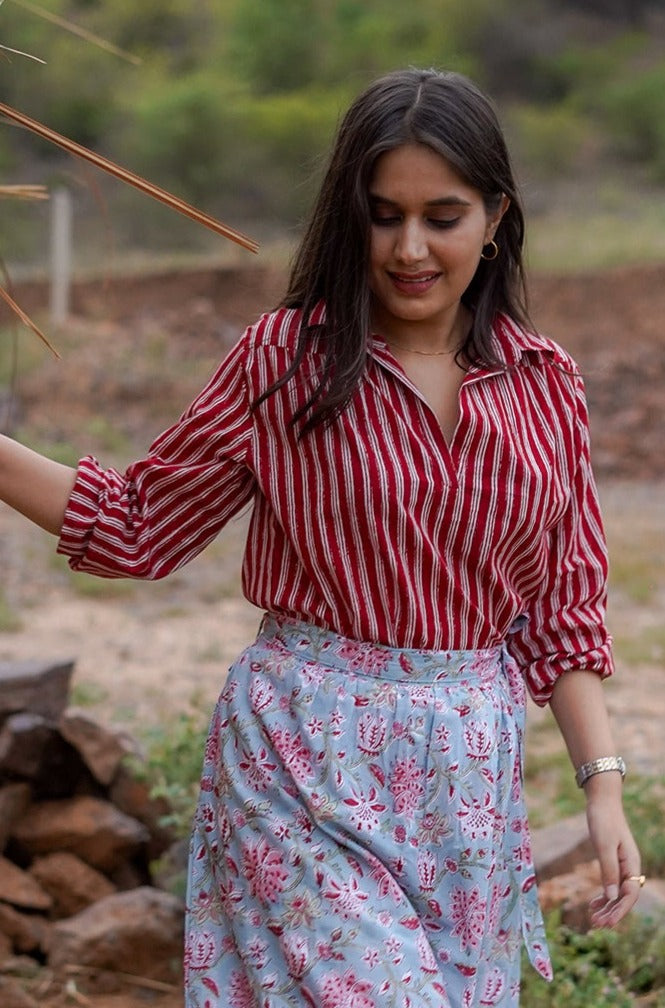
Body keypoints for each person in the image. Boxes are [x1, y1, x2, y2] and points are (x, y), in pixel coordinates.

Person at [0, 68, 642, 1008]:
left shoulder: (547, 384)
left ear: (496, 216)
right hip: (303, 759)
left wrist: (603, 786)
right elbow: (139, 527)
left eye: (443, 215)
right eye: (383, 215)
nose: (410, 247)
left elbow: (562, 608)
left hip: (469, 777)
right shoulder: (285, 360)